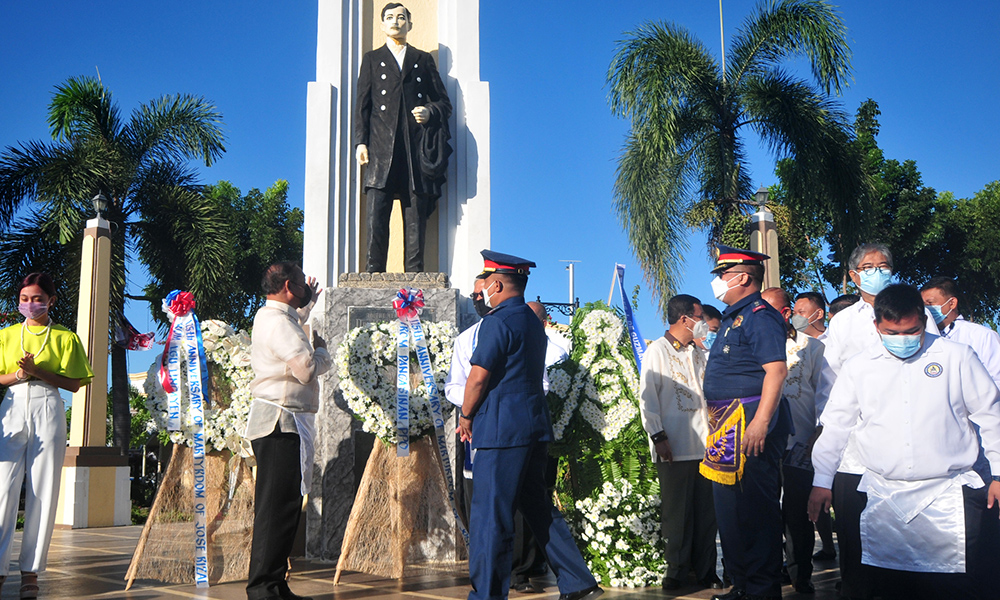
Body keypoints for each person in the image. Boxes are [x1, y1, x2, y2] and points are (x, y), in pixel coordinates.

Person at [808, 284, 1000, 600]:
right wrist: (822, 482)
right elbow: (836, 427)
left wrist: (997, 473)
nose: (902, 341)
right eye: (891, 333)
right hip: (884, 499)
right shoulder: (859, 366)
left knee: (954, 589)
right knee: (883, 587)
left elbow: (991, 415)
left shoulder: (957, 357)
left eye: (911, 332)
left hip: (946, 495)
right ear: (876, 326)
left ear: (924, 322)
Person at [459, 250, 601, 600]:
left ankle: (487, 594)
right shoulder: (529, 320)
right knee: (537, 507)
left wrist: (465, 415)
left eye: (485, 287)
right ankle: (577, 579)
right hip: (532, 427)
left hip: (501, 431)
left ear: (496, 283)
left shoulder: (498, 321)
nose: (483, 295)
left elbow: (478, 377)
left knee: (491, 517)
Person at [818, 244, 937, 600]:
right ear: (854, 276)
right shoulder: (843, 322)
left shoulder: (919, 310)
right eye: (868, 266)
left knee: (917, 547)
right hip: (859, 451)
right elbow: (830, 384)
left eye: (883, 265)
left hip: (918, 446)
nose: (877, 271)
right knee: (858, 546)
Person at [699, 246, 790, 600]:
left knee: (755, 511)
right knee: (731, 512)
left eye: (723, 275)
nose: (718, 282)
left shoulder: (759, 315)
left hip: (749, 424)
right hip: (726, 426)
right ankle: (742, 585)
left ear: (742, 277)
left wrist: (761, 422)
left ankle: (763, 590)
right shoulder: (731, 316)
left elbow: (776, 371)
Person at [0, 273, 94, 600]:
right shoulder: (7, 335)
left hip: (48, 405)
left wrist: (39, 372)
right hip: (12, 404)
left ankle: (31, 572)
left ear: (51, 300)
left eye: (38, 298)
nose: (30, 304)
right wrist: (20, 374)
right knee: (3, 487)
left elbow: (75, 383)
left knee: (43, 488)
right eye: (24, 298)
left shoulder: (65, 338)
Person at [245, 263, 330, 600]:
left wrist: (305, 309)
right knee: (274, 508)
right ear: (287, 286)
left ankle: (276, 583)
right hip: (279, 422)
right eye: (300, 284)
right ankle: (262, 587)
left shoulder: (281, 319)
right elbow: (306, 370)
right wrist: (323, 350)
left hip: (287, 422)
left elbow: (294, 332)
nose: (306, 287)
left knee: (287, 506)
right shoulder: (277, 322)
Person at [354, 2, 452, 272]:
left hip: (415, 148)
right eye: (389, 17)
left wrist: (429, 111)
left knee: (415, 213)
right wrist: (360, 142)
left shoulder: (423, 60)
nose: (395, 21)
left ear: (410, 23)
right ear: (383, 25)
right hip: (380, 147)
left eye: (401, 17)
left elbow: (445, 103)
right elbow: (363, 105)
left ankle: (416, 273)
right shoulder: (372, 59)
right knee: (377, 211)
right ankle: (373, 272)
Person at [638, 294, 721, 592]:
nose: (702, 323)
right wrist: (658, 436)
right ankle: (676, 569)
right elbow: (647, 399)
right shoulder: (658, 351)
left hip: (707, 445)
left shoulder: (698, 352)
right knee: (677, 513)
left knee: (706, 513)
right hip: (675, 443)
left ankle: (706, 569)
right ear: (685, 318)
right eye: (699, 317)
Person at [761, 287, 828, 595]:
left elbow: (826, 396)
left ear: (785, 313)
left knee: (798, 516)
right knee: (765, 513)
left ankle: (801, 575)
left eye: (769, 310)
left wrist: (818, 434)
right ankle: (770, 572)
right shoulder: (755, 347)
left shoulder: (812, 349)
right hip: (762, 443)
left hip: (801, 444)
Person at [920, 276, 1000, 386]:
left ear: (952, 303)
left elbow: (997, 380)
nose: (926, 309)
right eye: (923, 305)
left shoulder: (982, 336)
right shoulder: (921, 338)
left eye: (930, 303)